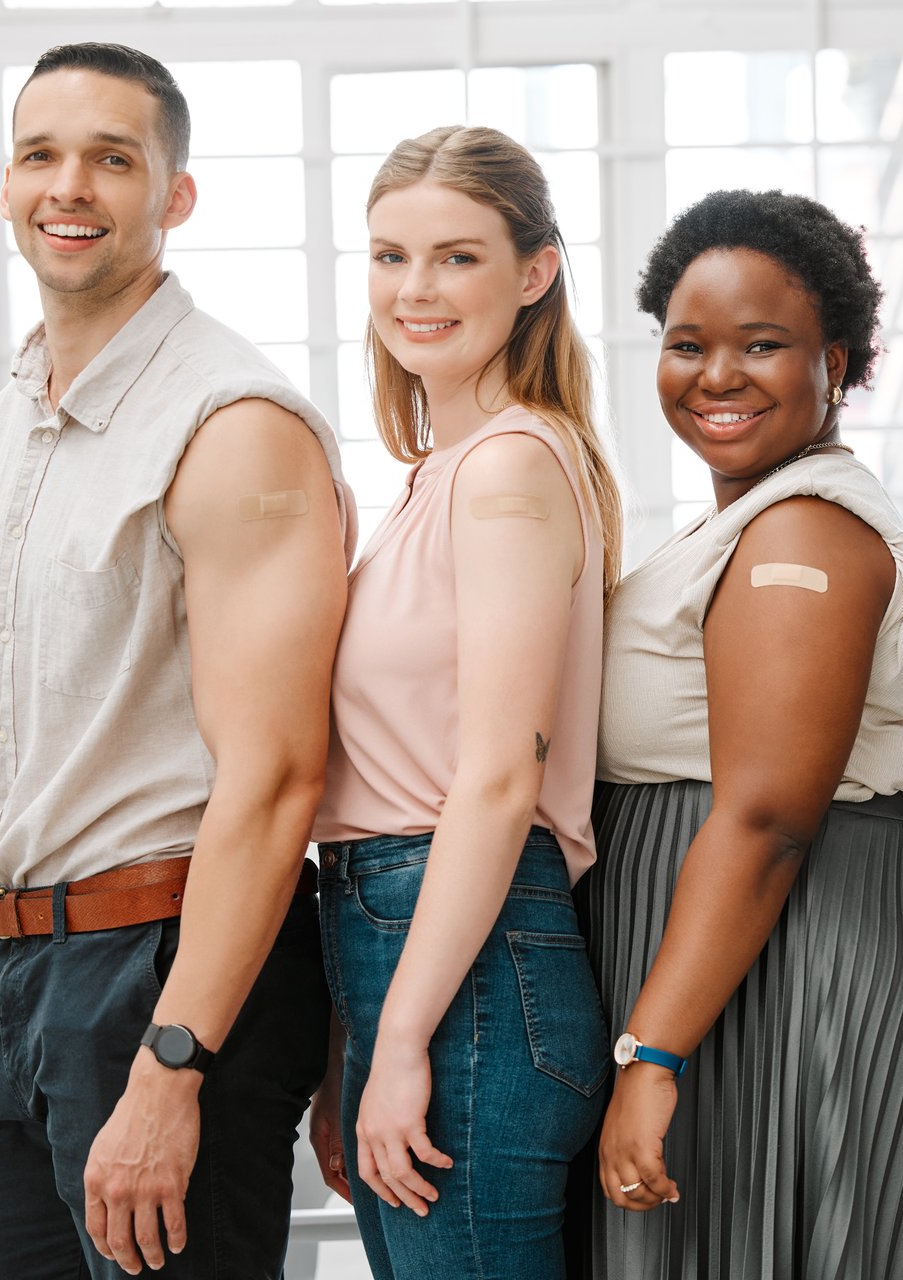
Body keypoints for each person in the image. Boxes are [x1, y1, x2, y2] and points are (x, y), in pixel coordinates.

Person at [0, 42, 356, 1278]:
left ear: (176, 195)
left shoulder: (233, 428)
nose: (72, 187)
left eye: (114, 158)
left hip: (163, 974)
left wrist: (174, 1062)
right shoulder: (5, 427)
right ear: (6, 184)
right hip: (19, 970)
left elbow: (274, 776)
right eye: (42, 154)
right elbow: (43, 762)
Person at [578, 188, 903, 1279]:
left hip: (791, 958)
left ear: (837, 362)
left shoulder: (806, 526)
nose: (718, 376)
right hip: (721, 960)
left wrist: (654, 1051)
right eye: (687, 344)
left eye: (764, 345)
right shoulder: (743, 520)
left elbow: (763, 817)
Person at [306, 124, 622, 1279]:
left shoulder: (509, 467)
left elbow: (497, 777)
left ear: (535, 272)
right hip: (408, 940)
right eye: (390, 257)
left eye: (456, 257)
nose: (415, 289)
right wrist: (365, 1024)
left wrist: (400, 1037)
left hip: (470, 958)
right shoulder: (444, 473)